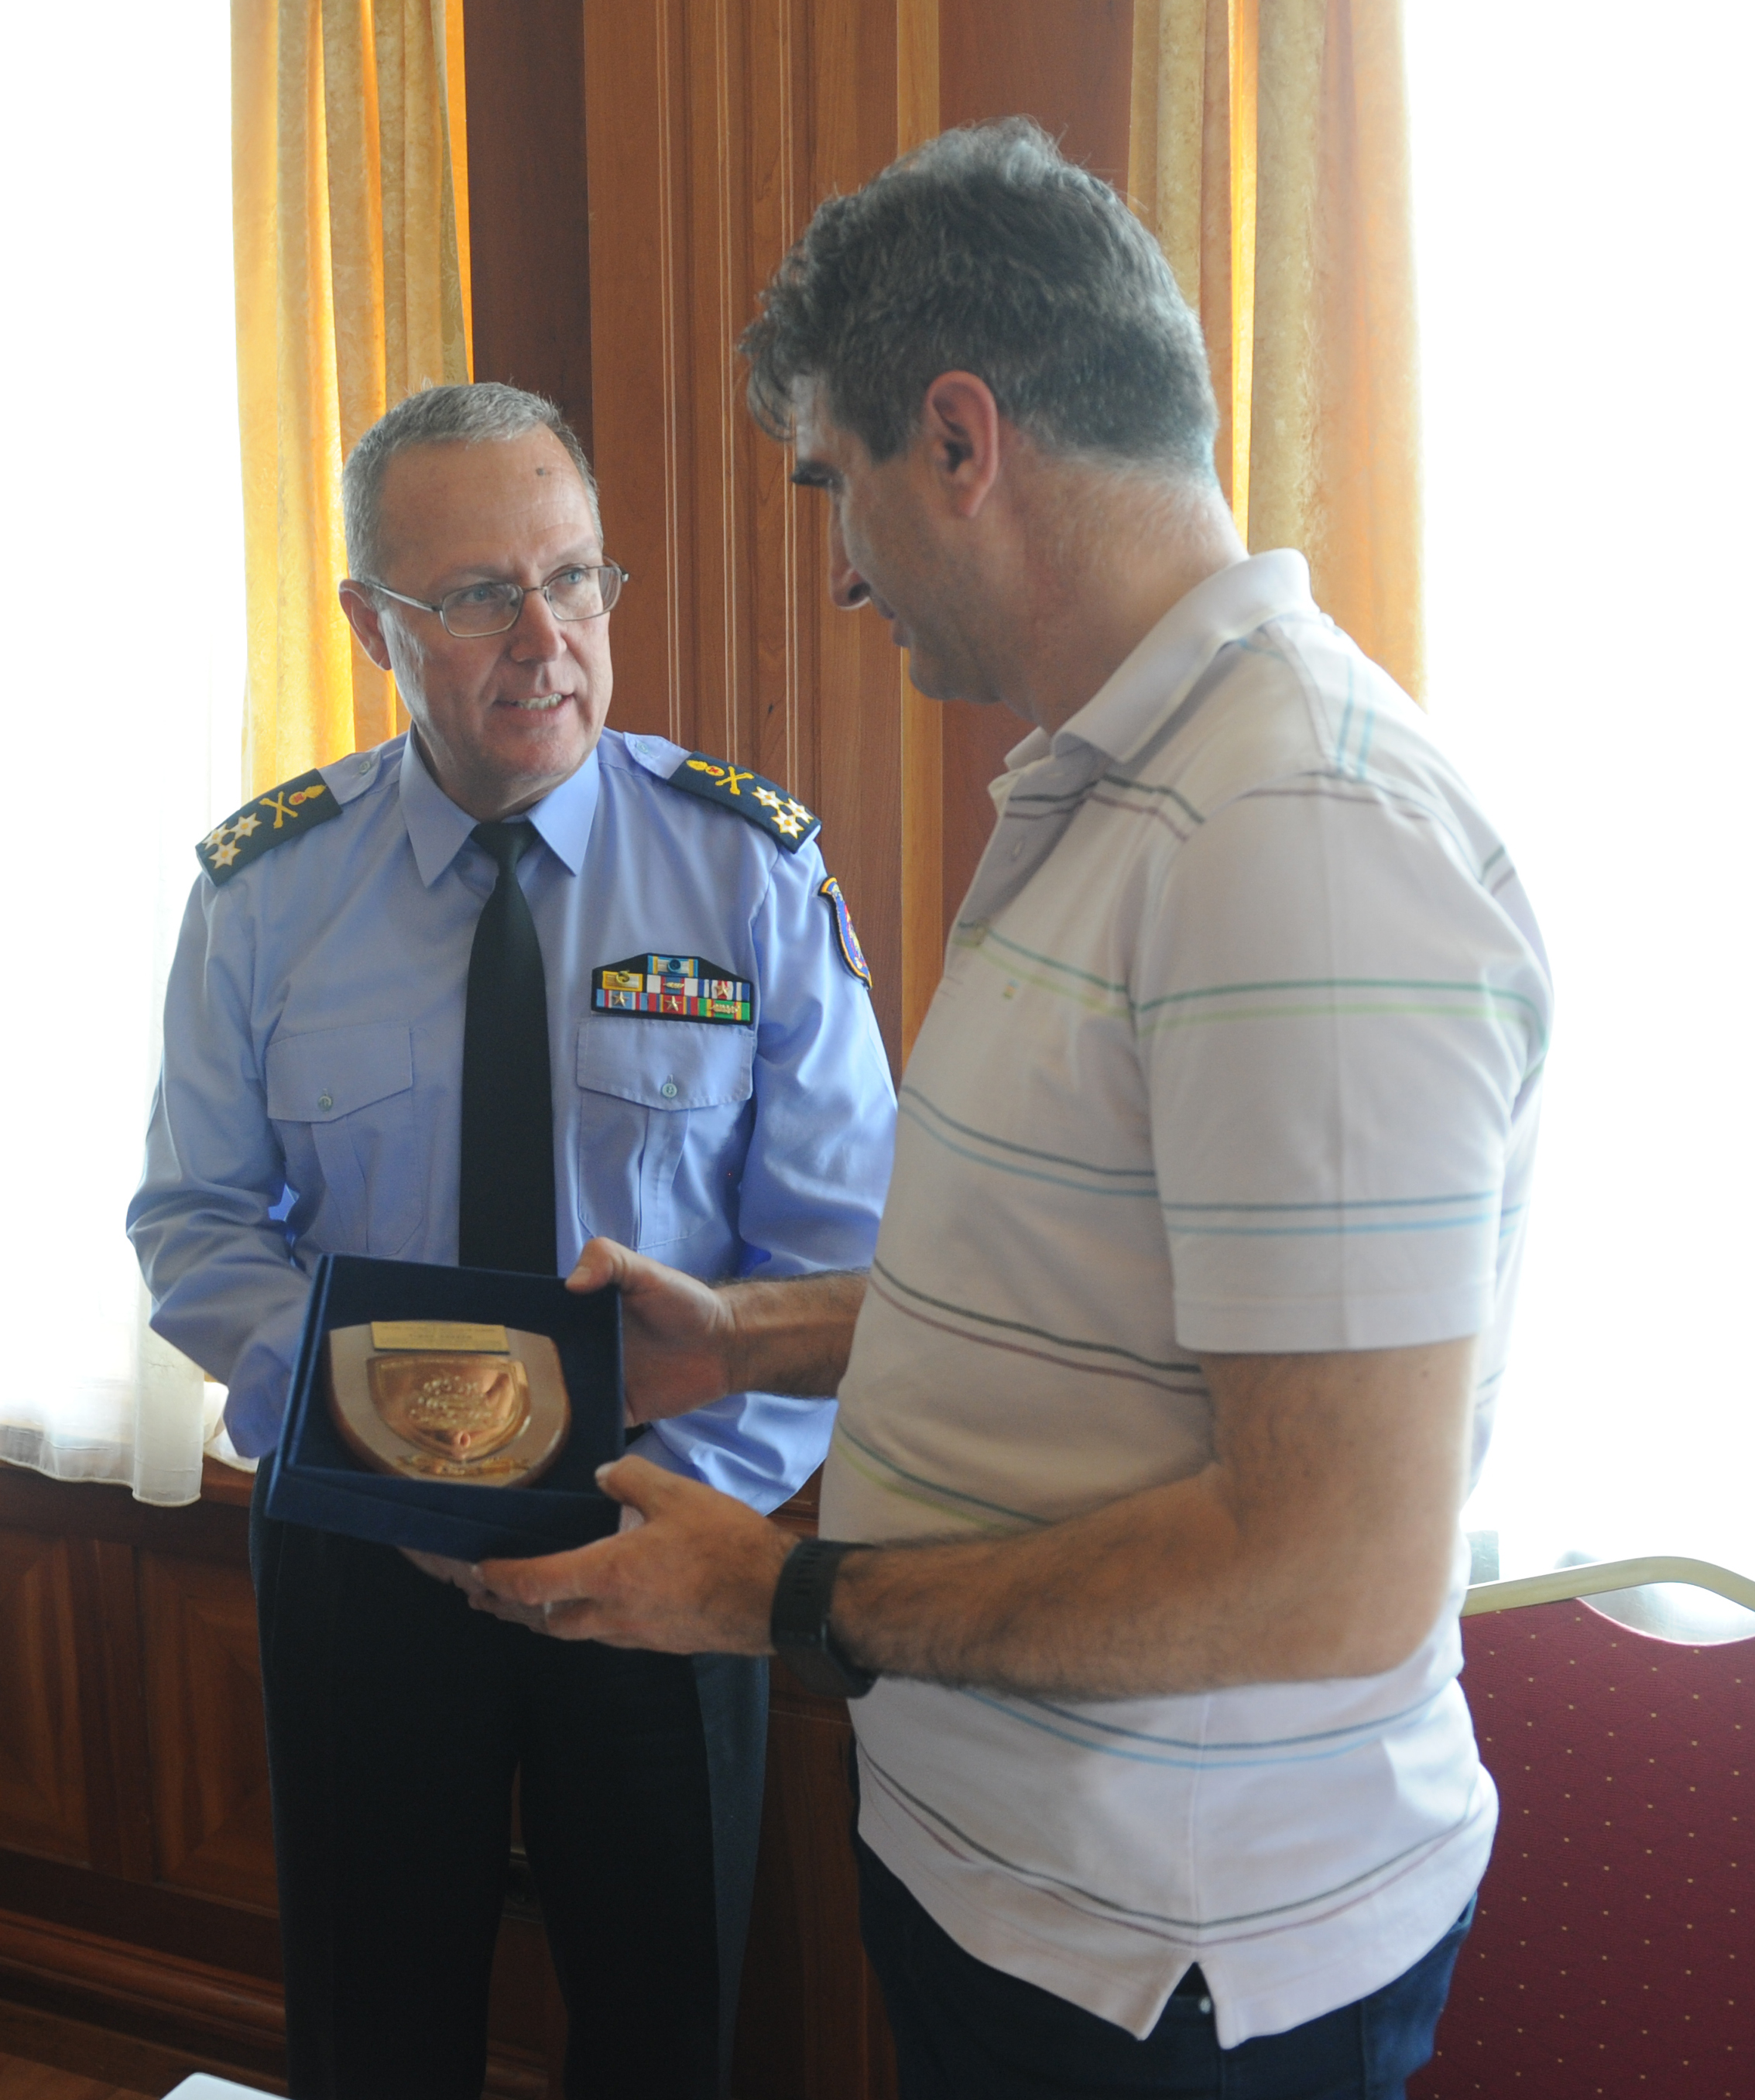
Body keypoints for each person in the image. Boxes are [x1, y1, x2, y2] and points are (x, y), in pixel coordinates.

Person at [473, 122, 1552, 2100]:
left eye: (837, 481)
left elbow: (1329, 1566)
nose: (838, 564)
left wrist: (787, 1595)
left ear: (960, 440)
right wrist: (748, 1338)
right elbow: (1094, 1294)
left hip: (1179, 1973)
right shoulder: (1125, 785)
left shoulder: (1295, 834)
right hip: (1038, 1905)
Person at [126, 381, 896, 2100]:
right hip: (359, 1560)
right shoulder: (266, 895)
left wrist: (680, 1500)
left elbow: (847, 1259)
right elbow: (196, 1220)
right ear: (374, 625)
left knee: (662, 2034)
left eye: (574, 579)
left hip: (666, 1540)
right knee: (373, 2032)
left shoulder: (747, 875)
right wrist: (380, 1442)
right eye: (481, 594)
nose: (546, 641)